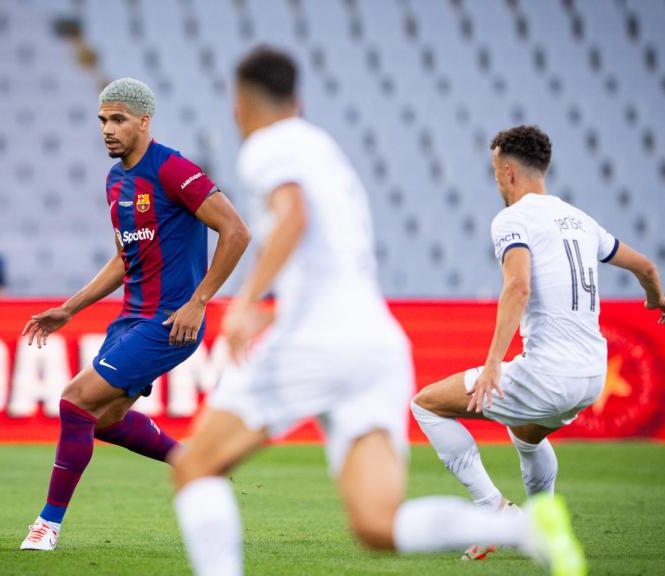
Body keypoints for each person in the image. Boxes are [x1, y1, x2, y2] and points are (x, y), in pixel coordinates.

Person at [170, 48, 586, 576]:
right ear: (297, 99)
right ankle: (522, 528)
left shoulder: (266, 146)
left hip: (319, 342)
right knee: (376, 524)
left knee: (194, 467)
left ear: (241, 103)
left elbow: (293, 216)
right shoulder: (326, 153)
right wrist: (278, 313)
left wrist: (245, 303)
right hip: (375, 345)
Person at [411, 125, 665, 561]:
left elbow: (518, 287)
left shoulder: (512, 219)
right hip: (591, 376)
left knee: (426, 405)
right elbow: (645, 266)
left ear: (509, 171)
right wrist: (656, 299)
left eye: (495, 172)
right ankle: (545, 526)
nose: (497, 181)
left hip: (549, 375)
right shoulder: (581, 220)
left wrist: (493, 363)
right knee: (527, 435)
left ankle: (494, 513)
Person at [18, 77, 251, 551]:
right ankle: (196, 463)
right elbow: (126, 259)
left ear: (144, 122)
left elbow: (236, 231)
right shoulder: (116, 181)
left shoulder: (173, 169)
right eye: (103, 119)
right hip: (130, 319)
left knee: (74, 401)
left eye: (118, 119)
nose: (107, 129)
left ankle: (46, 525)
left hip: (170, 321)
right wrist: (69, 308)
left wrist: (198, 301)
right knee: (103, 420)